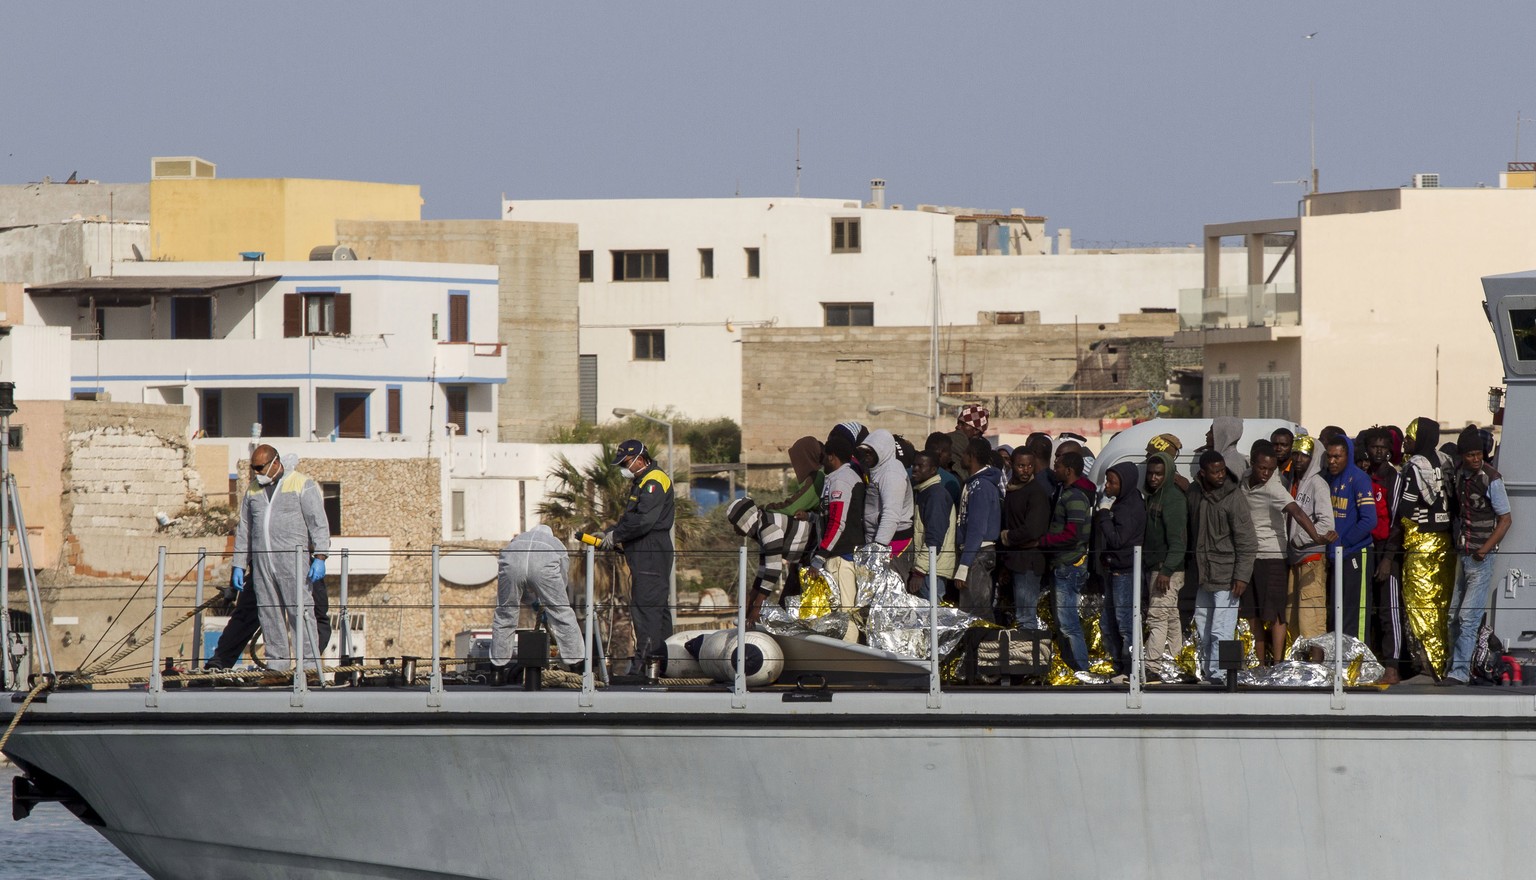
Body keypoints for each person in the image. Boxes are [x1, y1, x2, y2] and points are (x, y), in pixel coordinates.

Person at [227, 445, 331, 674]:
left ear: (275, 462)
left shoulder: (301, 484)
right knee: (269, 612)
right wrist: (238, 564)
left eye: (260, 468)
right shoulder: (253, 491)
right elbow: (244, 529)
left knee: (301, 612)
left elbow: (318, 522)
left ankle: (309, 667)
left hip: (293, 560)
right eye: (253, 468)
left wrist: (320, 556)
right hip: (263, 563)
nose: (256, 473)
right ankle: (277, 667)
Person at [1242, 440, 1331, 666]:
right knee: (1253, 614)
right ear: (1252, 464)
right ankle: (1261, 663)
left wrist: (1316, 537)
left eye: (1271, 469)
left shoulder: (1274, 488)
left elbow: (1298, 513)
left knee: (1275, 614)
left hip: (1272, 555)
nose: (1266, 473)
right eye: (1262, 468)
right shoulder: (1243, 480)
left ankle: (1279, 662)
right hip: (1249, 556)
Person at [1384, 417, 1455, 681]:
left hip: (1422, 545)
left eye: (1409, 438)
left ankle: (1429, 666)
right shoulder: (1444, 462)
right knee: (1441, 604)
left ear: (1421, 438)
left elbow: (1405, 508)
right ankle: (1443, 663)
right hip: (1445, 545)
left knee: (1419, 604)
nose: (1405, 443)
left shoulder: (1414, 467)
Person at [1444, 424, 1513, 685]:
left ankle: (1460, 672)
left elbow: (1505, 519)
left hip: (1481, 556)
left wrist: (1484, 551)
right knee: (1453, 615)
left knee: (1468, 616)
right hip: (1465, 552)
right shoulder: (1460, 475)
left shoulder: (1491, 479)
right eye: (1470, 454)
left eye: (1478, 454)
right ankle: (1454, 666)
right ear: (1463, 455)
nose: (1475, 459)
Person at [603, 439, 675, 673]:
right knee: (655, 607)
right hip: (645, 547)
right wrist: (611, 532)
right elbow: (632, 517)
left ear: (640, 459)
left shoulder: (654, 480)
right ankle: (662, 663)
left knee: (646, 606)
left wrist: (618, 535)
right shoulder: (642, 481)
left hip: (651, 548)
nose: (624, 468)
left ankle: (645, 664)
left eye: (626, 463)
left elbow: (644, 520)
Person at [1191, 450, 1257, 685]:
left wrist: (1241, 576)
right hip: (1203, 574)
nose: (1219, 475)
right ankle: (1209, 673)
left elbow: (1247, 540)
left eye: (1222, 470)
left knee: (1222, 629)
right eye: (1214, 471)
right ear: (1203, 473)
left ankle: (1221, 675)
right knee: (1203, 626)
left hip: (1227, 575)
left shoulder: (1233, 497)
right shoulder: (1197, 492)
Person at [493, 525, 585, 674]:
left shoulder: (516, 540)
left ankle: (497, 669)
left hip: (512, 561)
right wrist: (546, 600)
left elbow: (513, 577)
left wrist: (531, 600)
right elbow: (561, 579)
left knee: (505, 614)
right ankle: (576, 665)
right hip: (544, 564)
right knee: (561, 613)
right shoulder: (555, 543)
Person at [811, 430, 873, 642]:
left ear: (832, 456)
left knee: (846, 613)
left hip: (841, 557)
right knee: (838, 613)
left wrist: (819, 556)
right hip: (836, 555)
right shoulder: (836, 478)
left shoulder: (843, 480)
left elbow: (838, 521)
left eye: (824, 458)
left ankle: (850, 660)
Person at [1039, 450, 1095, 670]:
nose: (1055, 470)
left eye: (1058, 466)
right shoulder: (1067, 493)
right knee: (1064, 623)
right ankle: (1072, 667)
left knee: (1068, 624)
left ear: (1069, 471)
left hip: (1069, 566)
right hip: (1063, 565)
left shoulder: (1074, 497)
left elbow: (1073, 534)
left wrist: (1044, 541)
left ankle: (1081, 669)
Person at [1322, 434, 1376, 644]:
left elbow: (1369, 520)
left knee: (1357, 612)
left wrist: (1343, 542)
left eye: (1338, 456)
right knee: (1339, 611)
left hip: (1356, 553)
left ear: (1348, 455)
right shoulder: (1328, 478)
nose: (1333, 461)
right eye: (1329, 457)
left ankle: (1360, 665)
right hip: (1336, 556)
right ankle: (1341, 665)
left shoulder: (1359, 479)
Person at [1094, 461, 1146, 677]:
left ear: (1124, 484)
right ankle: (1118, 665)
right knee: (1109, 621)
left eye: (1112, 482)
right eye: (1107, 480)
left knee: (1125, 624)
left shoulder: (1128, 508)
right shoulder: (1125, 501)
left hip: (1126, 571)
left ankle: (1130, 668)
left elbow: (1117, 539)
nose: (1107, 486)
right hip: (1115, 569)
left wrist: (1103, 515)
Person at [1365, 428, 1407, 683]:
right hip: (1365, 548)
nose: (1379, 451)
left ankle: (1392, 665)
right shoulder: (1363, 477)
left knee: (1389, 610)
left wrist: (1388, 558)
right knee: (1367, 609)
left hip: (1387, 551)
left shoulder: (1395, 478)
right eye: (1375, 446)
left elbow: (1397, 522)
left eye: (1384, 447)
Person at [1287, 435, 1336, 640]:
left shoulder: (1318, 484)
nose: (1298, 459)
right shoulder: (1292, 482)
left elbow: (1327, 524)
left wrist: (1299, 539)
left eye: (1304, 455)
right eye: (1296, 454)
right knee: (1293, 618)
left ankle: (1317, 668)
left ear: (1313, 457)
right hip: (1294, 559)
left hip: (1312, 559)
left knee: (1311, 618)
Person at [1142, 451, 1187, 676]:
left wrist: (1166, 571)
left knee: (1157, 617)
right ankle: (1176, 663)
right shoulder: (1154, 495)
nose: (1153, 478)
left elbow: (1178, 541)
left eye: (1158, 474)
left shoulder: (1173, 498)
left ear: (1167, 473)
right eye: (1150, 473)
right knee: (1170, 618)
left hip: (1166, 568)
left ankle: (1152, 667)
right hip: (1160, 567)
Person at [1000, 449, 1051, 627]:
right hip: (1015, 560)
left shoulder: (1036, 492)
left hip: (1029, 561)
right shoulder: (1013, 490)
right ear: (1012, 465)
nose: (1026, 470)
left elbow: (1032, 530)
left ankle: (1031, 654)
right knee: (1021, 615)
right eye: (1021, 466)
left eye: (1030, 466)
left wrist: (1007, 537)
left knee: (1026, 616)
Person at [954, 437, 1003, 619]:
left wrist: (964, 566)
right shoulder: (973, 483)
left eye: (965, 453)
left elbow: (977, 529)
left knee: (977, 611)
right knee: (970, 610)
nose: (962, 456)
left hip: (978, 553)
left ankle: (986, 646)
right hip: (974, 552)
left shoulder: (980, 486)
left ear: (972, 456)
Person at [859, 429, 916, 577]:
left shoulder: (892, 473)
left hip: (893, 542)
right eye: (864, 453)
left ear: (882, 451)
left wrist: (878, 549)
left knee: (890, 593)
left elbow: (891, 514)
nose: (866, 457)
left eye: (870, 452)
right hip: (879, 541)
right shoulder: (878, 470)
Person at [909, 450, 957, 599]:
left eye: (920, 465)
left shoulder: (936, 495)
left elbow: (934, 537)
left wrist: (919, 571)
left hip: (931, 571)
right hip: (927, 569)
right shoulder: (924, 492)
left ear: (933, 469)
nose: (915, 469)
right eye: (914, 465)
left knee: (932, 617)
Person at [764, 436, 824, 518]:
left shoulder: (817, 478)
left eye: (797, 460)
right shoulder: (821, 473)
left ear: (805, 458)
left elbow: (791, 508)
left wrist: (764, 507)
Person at [947, 404, 989, 480]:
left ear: (976, 430)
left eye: (962, 424)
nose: (957, 427)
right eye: (958, 423)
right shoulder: (955, 444)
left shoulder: (984, 451)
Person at [924, 431, 964, 504]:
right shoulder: (950, 481)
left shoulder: (907, 474)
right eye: (949, 454)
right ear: (940, 452)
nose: (950, 458)